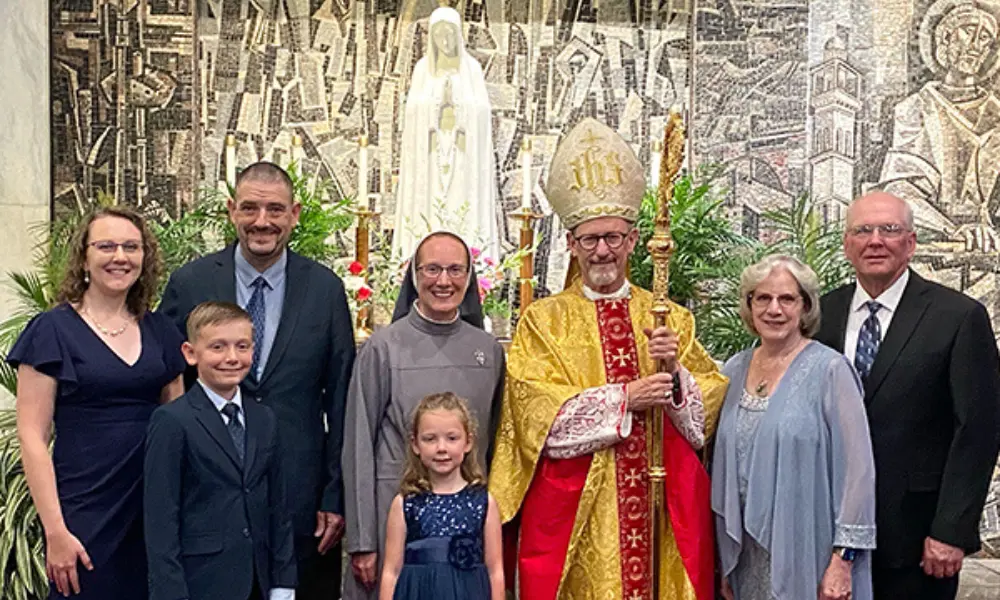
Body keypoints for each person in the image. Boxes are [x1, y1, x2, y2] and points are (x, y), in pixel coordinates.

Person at [488, 118, 728, 600]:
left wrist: (674, 373)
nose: (603, 250)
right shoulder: (544, 320)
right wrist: (626, 399)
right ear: (572, 244)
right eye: (590, 239)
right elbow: (537, 415)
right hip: (581, 506)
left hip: (660, 504)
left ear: (634, 241)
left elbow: (705, 413)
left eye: (614, 238)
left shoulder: (669, 318)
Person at [158, 161, 356, 599]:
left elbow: (341, 396)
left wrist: (333, 494)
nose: (261, 222)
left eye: (274, 209)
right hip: (209, 497)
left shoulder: (324, 290)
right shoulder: (190, 283)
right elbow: (167, 379)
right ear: (231, 211)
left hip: (302, 497)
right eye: (249, 208)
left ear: (294, 214)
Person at [815, 191, 1000, 600]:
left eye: (889, 230)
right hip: (828, 533)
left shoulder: (958, 317)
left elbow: (979, 432)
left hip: (917, 541)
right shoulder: (821, 314)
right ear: (848, 245)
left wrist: (950, 530)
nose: (875, 240)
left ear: (911, 243)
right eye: (863, 230)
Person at [7, 206, 186, 599]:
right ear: (84, 256)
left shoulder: (162, 331)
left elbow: (180, 426)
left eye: (131, 247)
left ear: (145, 258)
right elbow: (33, 437)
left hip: (152, 509)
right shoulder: (52, 330)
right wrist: (55, 530)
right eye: (106, 246)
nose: (119, 256)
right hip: (85, 512)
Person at [343, 231, 504, 599]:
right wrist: (362, 539)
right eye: (432, 269)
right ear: (414, 275)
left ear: (469, 277)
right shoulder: (382, 348)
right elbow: (358, 444)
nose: (443, 281)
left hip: (466, 531)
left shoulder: (487, 350)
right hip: (394, 517)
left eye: (455, 270)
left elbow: (495, 441)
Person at [712, 255, 876, 600]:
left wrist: (843, 560)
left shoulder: (831, 371)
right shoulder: (731, 370)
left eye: (787, 299)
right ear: (749, 305)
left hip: (810, 549)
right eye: (763, 298)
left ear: (805, 307)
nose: (774, 309)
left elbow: (858, 473)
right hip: (745, 556)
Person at [145, 302, 297, 600]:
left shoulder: (264, 418)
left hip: (259, 580)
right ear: (190, 353)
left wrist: (283, 581)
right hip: (201, 581)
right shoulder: (173, 421)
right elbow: (160, 519)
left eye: (242, 346)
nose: (231, 357)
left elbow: (279, 507)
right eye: (217, 347)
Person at [879, 2, 1000, 251]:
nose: (976, 45)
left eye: (985, 37)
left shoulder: (996, 113)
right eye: (968, 31)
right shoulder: (915, 108)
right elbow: (900, 192)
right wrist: (953, 230)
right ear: (945, 37)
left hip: (988, 247)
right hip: (933, 245)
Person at [393, 6, 499, 260]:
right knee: (427, 208)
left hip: (463, 155)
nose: (444, 40)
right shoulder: (423, 70)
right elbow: (414, 113)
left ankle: (475, 262)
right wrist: (437, 103)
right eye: (438, 34)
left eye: (449, 33)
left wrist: (458, 104)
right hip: (430, 156)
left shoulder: (471, 69)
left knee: (463, 206)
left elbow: (481, 112)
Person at [378, 392, 504, 600]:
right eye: (430, 439)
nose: (441, 448)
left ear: (468, 442)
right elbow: (391, 572)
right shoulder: (405, 504)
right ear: (416, 444)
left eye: (452, 438)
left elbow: (495, 570)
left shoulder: (484, 503)